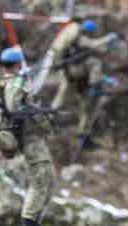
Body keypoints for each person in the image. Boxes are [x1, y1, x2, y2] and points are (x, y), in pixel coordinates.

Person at [0, 47, 57, 226]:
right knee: (41, 179)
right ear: (19, 63)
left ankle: (34, 220)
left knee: (48, 178)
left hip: (24, 136)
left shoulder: (2, 81)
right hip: (29, 137)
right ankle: (28, 223)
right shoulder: (15, 82)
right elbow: (14, 105)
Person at [50, 19, 118, 148]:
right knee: (96, 63)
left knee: (83, 105)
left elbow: (97, 48)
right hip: (75, 72)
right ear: (89, 32)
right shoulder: (81, 39)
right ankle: (95, 86)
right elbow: (94, 45)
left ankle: (83, 135)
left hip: (75, 75)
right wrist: (108, 38)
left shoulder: (80, 43)